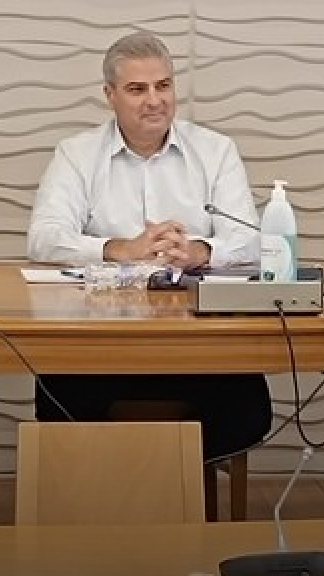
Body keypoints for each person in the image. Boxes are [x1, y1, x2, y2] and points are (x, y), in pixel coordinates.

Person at [28, 32, 272, 465]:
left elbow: (251, 239)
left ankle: (173, 490)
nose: (154, 101)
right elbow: (43, 239)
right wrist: (119, 248)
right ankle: (121, 492)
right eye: (137, 89)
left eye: (164, 86)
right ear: (110, 95)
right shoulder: (76, 154)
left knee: (247, 411)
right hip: (101, 343)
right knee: (58, 399)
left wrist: (199, 251)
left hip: (197, 345)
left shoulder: (215, 151)